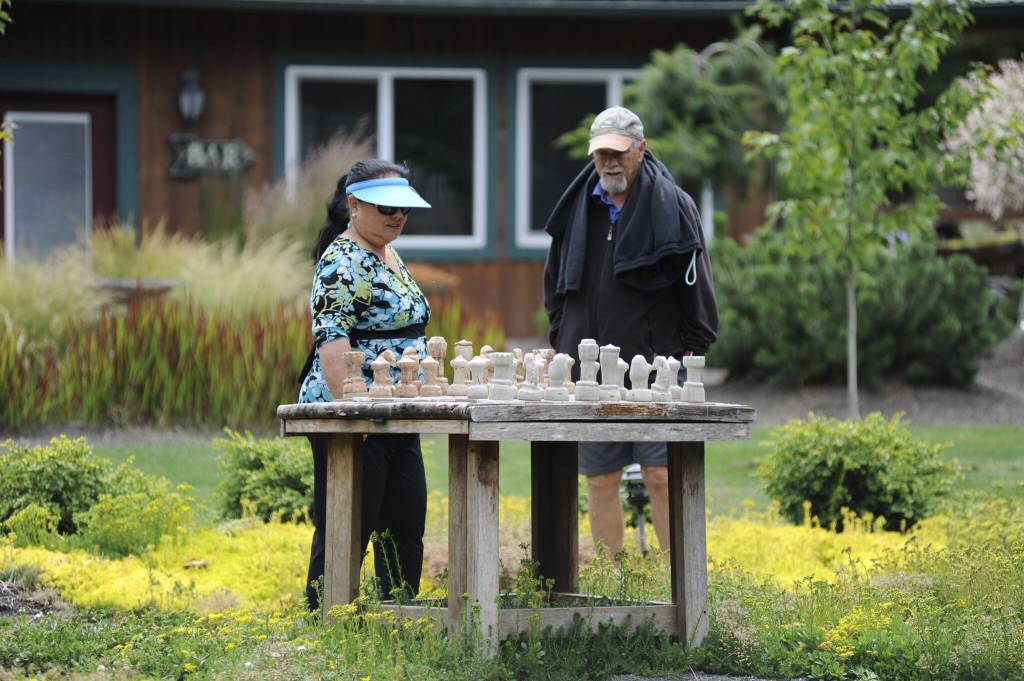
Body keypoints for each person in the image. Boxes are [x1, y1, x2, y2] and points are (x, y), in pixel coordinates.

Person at [543, 106, 718, 557]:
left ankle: (672, 576)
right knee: (600, 478)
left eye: (618, 152)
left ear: (640, 150)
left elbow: (696, 286)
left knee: (661, 474)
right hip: (590, 369)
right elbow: (556, 285)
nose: (609, 162)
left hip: (657, 367)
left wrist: (691, 352)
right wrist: (563, 339)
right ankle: (610, 582)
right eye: (601, 153)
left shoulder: (673, 206)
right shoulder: (577, 208)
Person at [298, 159, 432, 610]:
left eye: (404, 209)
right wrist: (354, 415)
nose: (397, 217)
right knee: (349, 522)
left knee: (405, 520)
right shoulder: (342, 260)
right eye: (386, 208)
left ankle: (398, 618)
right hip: (356, 412)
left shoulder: (389, 253)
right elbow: (332, 343)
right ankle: (328, 620)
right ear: (354, 205)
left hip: (399, 409)